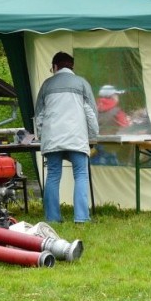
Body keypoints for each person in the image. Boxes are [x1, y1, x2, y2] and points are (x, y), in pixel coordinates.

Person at [34, 52, 99, 223]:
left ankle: (53, 218)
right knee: (81, 175)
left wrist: (41, 135)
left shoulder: (46, 85)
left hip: (52, 138)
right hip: (77, 137)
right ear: (72, 66)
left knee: (54, 175)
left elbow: (39, 115)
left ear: (55, 67)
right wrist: (92, 136)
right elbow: (91, 113)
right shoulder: (82, 83)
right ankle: (82, 218)